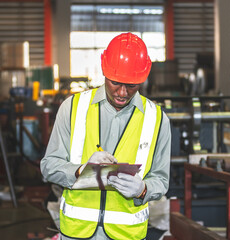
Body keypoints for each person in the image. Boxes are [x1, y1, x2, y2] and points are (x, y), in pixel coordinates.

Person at [40, 32, 171, 240]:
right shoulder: (72, 108)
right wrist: (80, 171)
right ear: (104, 70)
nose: (122, 92)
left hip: (127, 234)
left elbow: (161, 180)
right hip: (77, 233)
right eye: (115, 82)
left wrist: (143, 189)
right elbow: (48, 167)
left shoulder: (157, 119)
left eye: (131, 85)